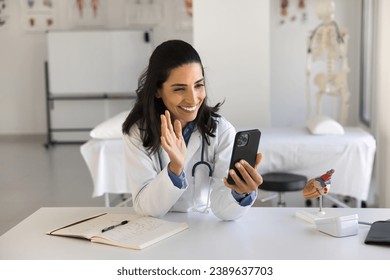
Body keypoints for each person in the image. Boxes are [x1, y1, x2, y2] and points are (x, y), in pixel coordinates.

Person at [122, 40, 263, 221]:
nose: (193, 99)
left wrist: (240, 193)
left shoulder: (222, 131)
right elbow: (144, 208)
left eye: (198, 85)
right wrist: (175, 168)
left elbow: (224, 211)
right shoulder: (137, 133)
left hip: (203, 228)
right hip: (157, 231)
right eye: (180, 89)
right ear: (158, 90)